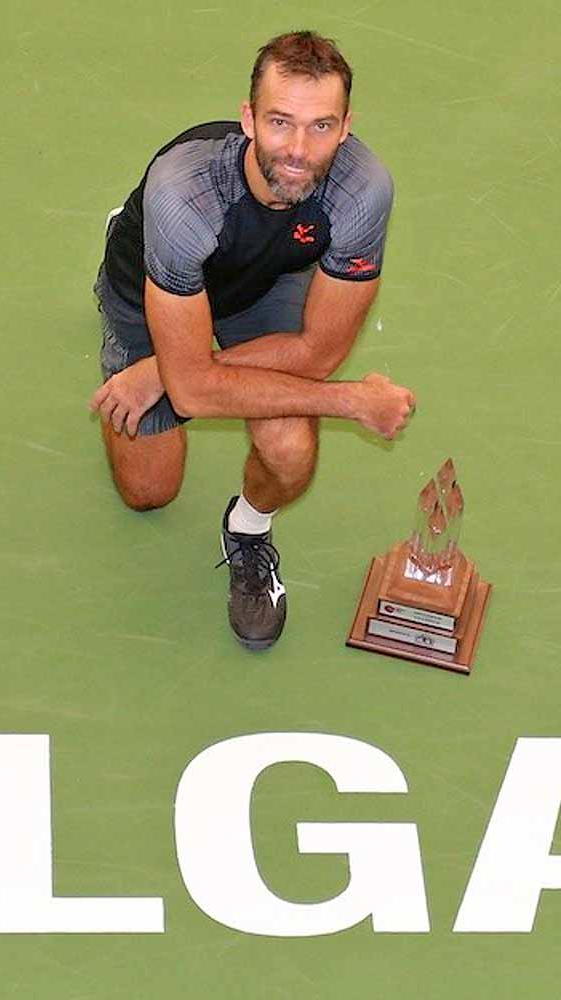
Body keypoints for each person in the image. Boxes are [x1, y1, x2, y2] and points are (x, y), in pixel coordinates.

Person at [88, 30, 415, 652]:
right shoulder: (185, 195)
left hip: (262, 283)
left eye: (321, 127)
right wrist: (352, 402)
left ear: (347, 127)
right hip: (152, 287)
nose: (297, 149)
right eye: (279, 122)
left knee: (290, 448)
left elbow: (318, 351)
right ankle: (129, 229)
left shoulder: (361, 192)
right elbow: (196, 390)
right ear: (248, 119)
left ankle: (247, 530)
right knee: (148, 494)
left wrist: (163, 371)